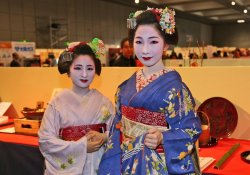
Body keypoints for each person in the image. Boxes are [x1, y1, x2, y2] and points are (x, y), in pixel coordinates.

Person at [98, 7, 201, 175]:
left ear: (166, 44)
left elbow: (191, 128)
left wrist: (163, 138)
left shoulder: (176, 89)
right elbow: (117, 125)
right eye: (139, 42)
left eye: (153, 41)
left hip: (159, 165)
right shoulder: (124, 88)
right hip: (127, 162)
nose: (145, 50)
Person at [38, 38, 115, 175]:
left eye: (90, 68)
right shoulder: (57, 103)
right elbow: (45, 140)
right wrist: (82, 147)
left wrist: (105, 136)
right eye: (78, 68)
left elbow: (117, 132)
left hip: (98, 163)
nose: (84, 74)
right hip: (69, 167)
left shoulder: (104, 102)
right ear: (68, 70)